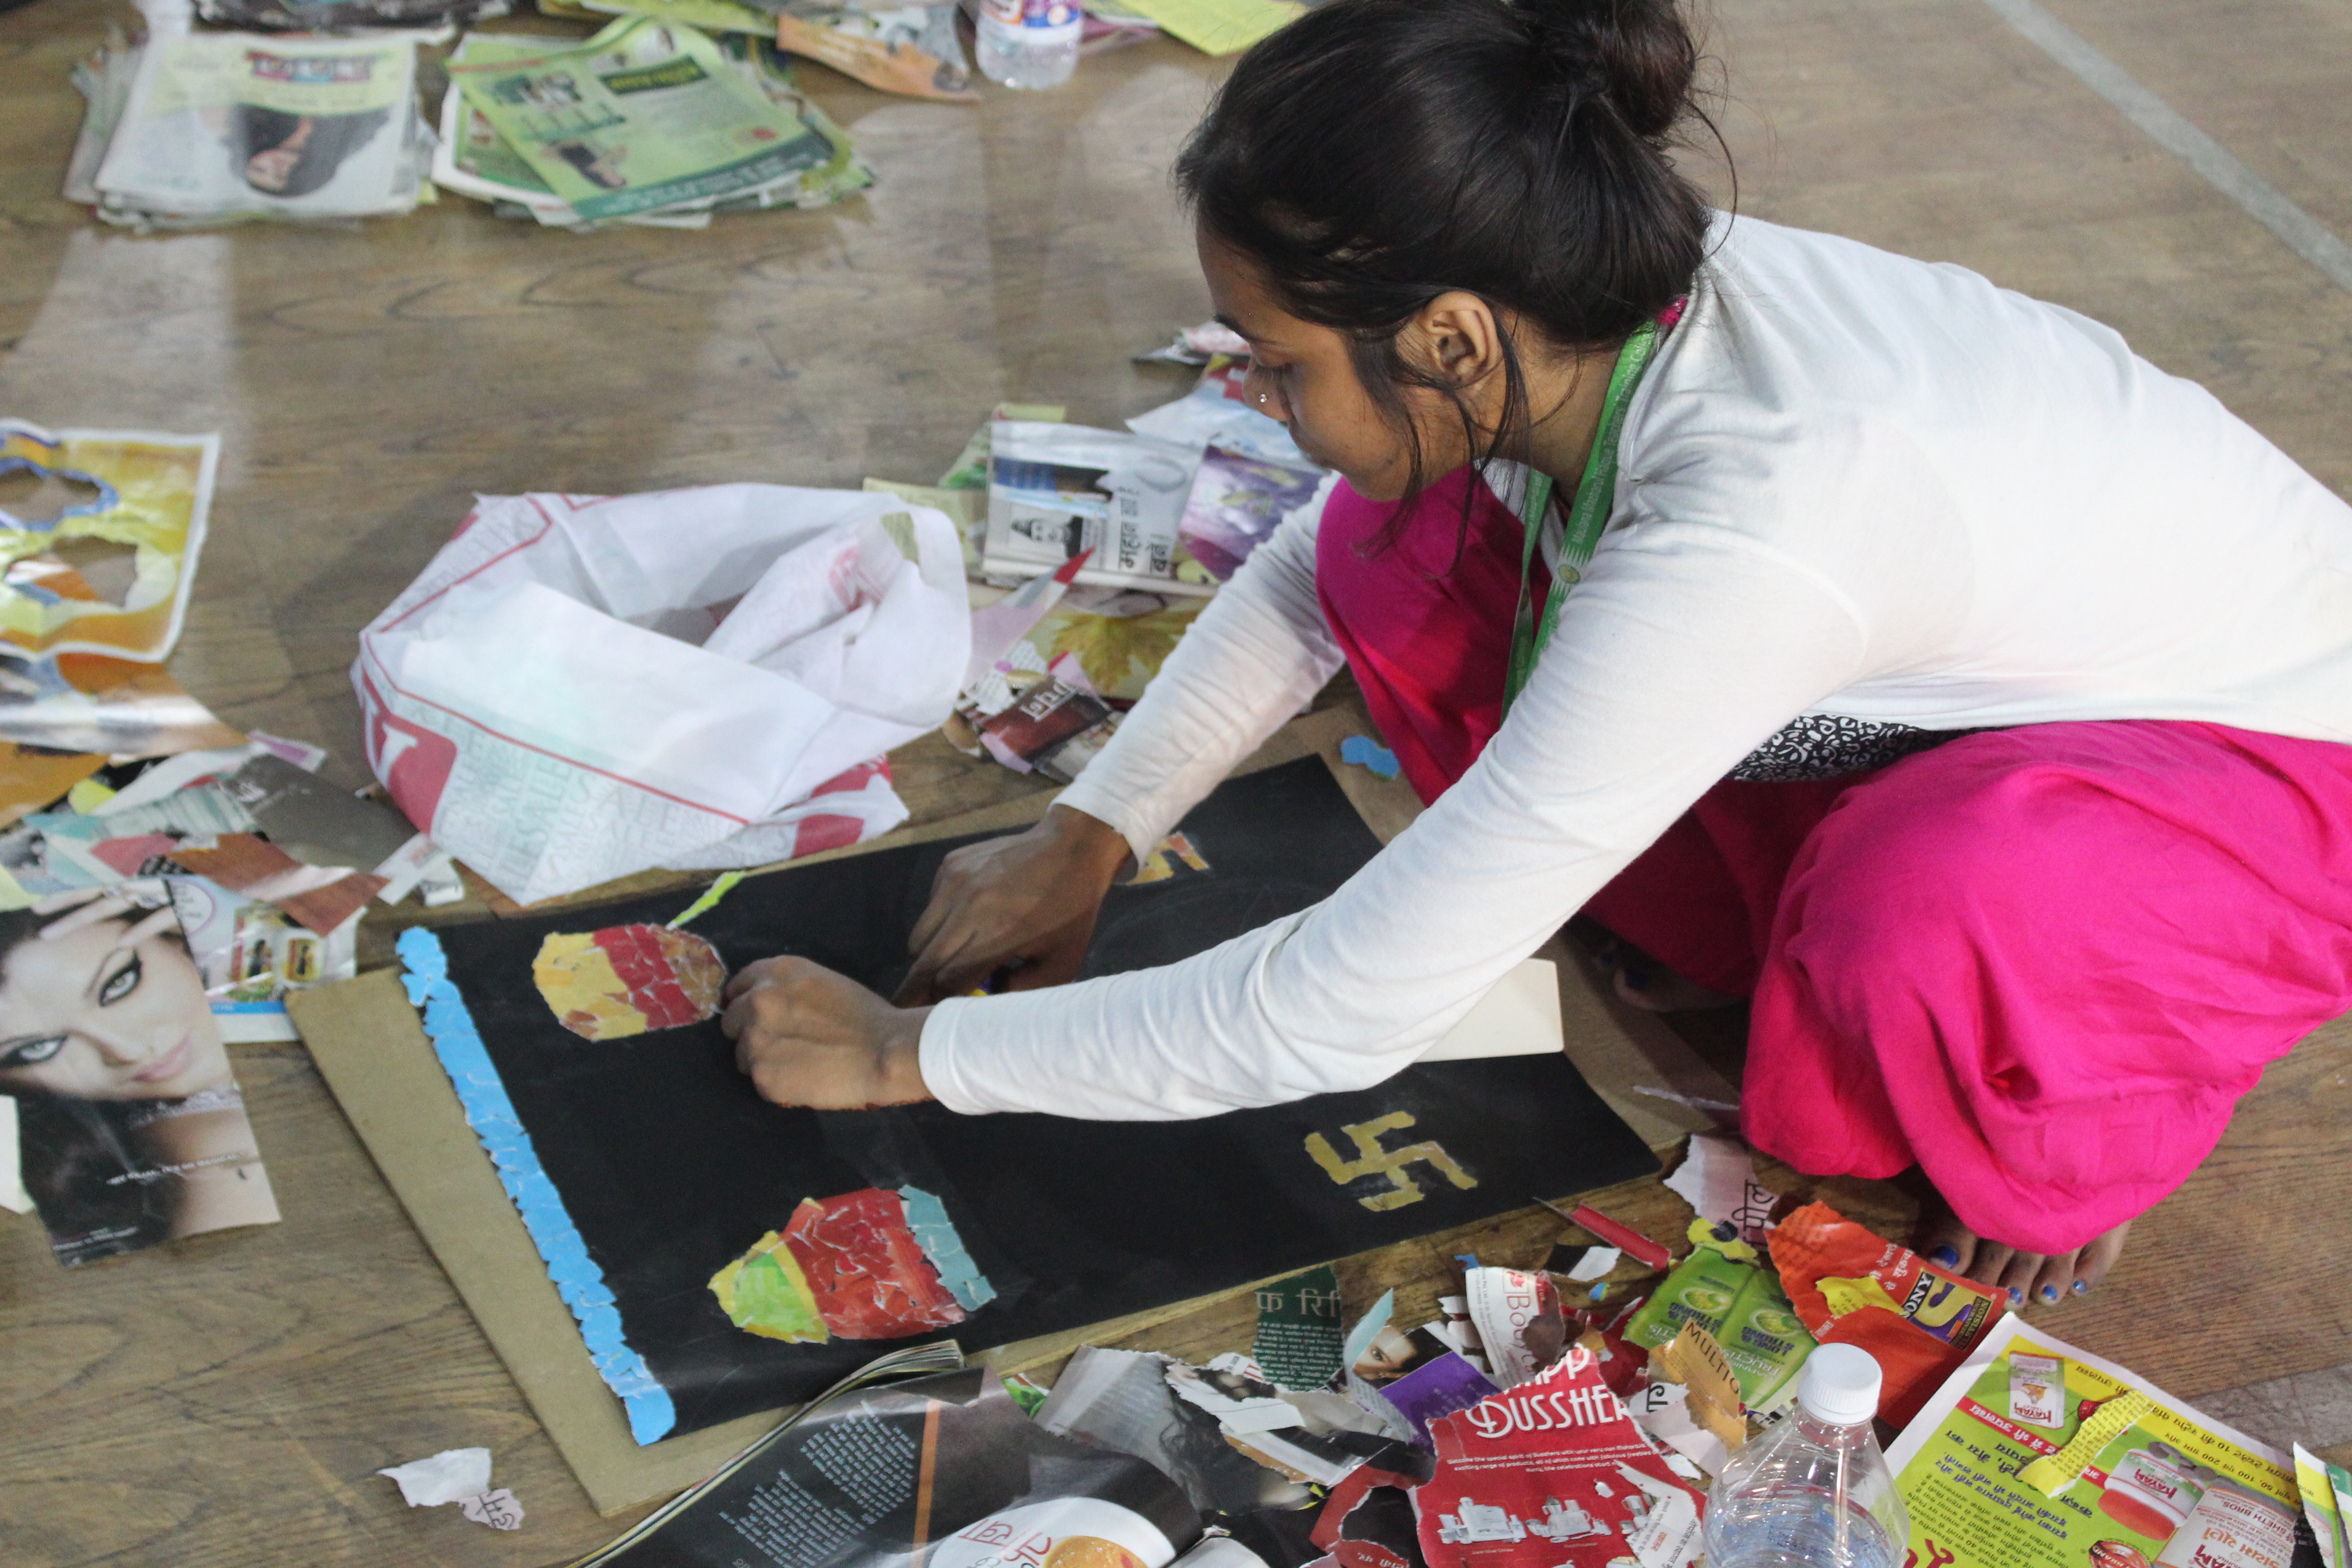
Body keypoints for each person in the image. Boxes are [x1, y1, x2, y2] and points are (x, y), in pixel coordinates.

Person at [722, 0, 2352, 1312]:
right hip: (1965, 665)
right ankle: (1775, 924)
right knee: (1391, 531)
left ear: (1447, 337)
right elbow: (1312, 559)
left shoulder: (1758, 526)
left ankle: (2082, 1125)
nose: (1265, 406)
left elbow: (1333, 1015)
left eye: (1280, 367)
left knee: (1927, 916)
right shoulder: (1573, 286)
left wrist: (900, 1052)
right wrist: (1094, 827)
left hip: (2271, 761)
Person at [1, 890, 278, 1263]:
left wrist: (222, 899)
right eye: (39, 1049)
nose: (125, 1050)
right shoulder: (215, 1142)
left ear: (174, 936)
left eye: (119, 984)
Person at [229, 106, 392, 199]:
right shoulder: (349, 140)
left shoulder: (252, 126)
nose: (276, 167)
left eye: (260, 168)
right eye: (281, 176)